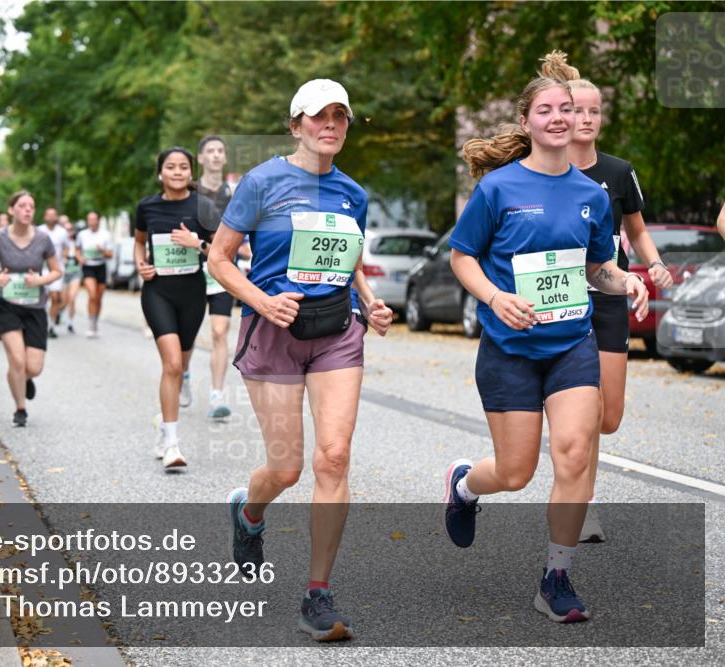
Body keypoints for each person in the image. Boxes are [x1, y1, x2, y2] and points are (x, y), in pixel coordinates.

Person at [443, 54, 650, 624]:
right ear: (528, 121)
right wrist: (495, 298)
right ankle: (464, 486)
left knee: (576, 452)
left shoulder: (592, 194)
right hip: (509, 348)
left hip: (570, 344)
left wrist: (625, 279)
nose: (559, 118)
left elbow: (596, 266)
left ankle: (556, 576)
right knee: (514, 473)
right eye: (546, 110)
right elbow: (462, 257)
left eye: (567, 109)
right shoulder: (498, 188)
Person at [207, 79, 393, 641]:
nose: (330, 124)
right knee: (285, 469)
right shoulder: (262, 182)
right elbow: (219, 259)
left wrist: (369, 301)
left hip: (337, 332)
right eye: (319, 116)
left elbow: (348, 254)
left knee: (333, 457)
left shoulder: (353, 193)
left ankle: (317, 591)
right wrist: (262, 300)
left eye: (340, 115)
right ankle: (249, 512)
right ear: (296, 125)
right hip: (273, 332)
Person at [557, 51, 674, 543]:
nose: (584, 119)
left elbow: (637, 232)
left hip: (609, 297)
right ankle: (581, 503)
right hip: (560, 299)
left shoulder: (619, 172)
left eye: (593, 111)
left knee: (607, 417)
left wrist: (655, 264)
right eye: (576, 110)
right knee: (579, 417)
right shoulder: (545, 168)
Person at [135, 147, 220, 469]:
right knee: (171, 365)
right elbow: (139, 241)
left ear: (190, 173)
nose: (177, 172)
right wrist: (140, 265)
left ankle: (164, 423)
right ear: (161, 173)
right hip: (158, 291)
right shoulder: (147, 206)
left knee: (180, 365)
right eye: (170, 167)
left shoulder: (203, 207)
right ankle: (172, 443)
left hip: (192, 292)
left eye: (183, 167)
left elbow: (222, 251)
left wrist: (196, 244)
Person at [0, 191, 62, 427]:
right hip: (7, 306)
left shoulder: (43, 239)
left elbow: (57, 271)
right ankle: (20, 409)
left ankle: (22, 379)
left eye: (32, 206)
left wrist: (39, 281)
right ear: (11, 210)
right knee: (17, 360)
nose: (28, 210)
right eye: (22, 206)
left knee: (33, 368)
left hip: (35, 307)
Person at [192, 134, 253, 420]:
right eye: (210, 151)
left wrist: (250, 252)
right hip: (191, 268)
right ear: (201, 158)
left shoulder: (235, 191)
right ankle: (180, 373)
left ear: (224, 158)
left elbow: (245, 229)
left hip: (223, 267)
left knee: (219, 332)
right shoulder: (190, 191)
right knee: (185, 334)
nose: (216, 155)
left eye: (220, 151)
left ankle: (217, 394)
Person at [75, 211, 113, 338]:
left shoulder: (105, 235)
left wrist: (102, 250)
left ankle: (95, 321)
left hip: (100, 266)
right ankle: (91, 324)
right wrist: (80, 258)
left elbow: (110, 254)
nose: (91, 222)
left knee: (98, 297)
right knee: (92, 294)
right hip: (88, 266)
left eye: (93, 219)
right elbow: (77, 250)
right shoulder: (82, 234)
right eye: (89, 219)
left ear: (98, 220)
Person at [39, 208, 70, 338]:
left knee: (56, 297)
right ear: (44, 216)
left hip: (56, 268)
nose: (51, 217)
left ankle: (51, 326)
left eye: (53, 215)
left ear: (56, 217)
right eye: (49, 215)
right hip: (42, 268)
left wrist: (65, 257)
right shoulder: (39, 230)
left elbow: (66, 248)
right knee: (42, 298)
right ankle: (43, 324)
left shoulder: (62, 232)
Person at [59, 215, 83, 333]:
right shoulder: (60, 243)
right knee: (63, 300)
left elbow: (82, 256)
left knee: (72, 298)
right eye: (66, 230)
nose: (69, 232)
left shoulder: (77, 243)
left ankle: (70, 322)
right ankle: (59, 312)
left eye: (71, 230)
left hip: (75, 272)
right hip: (63, 273)